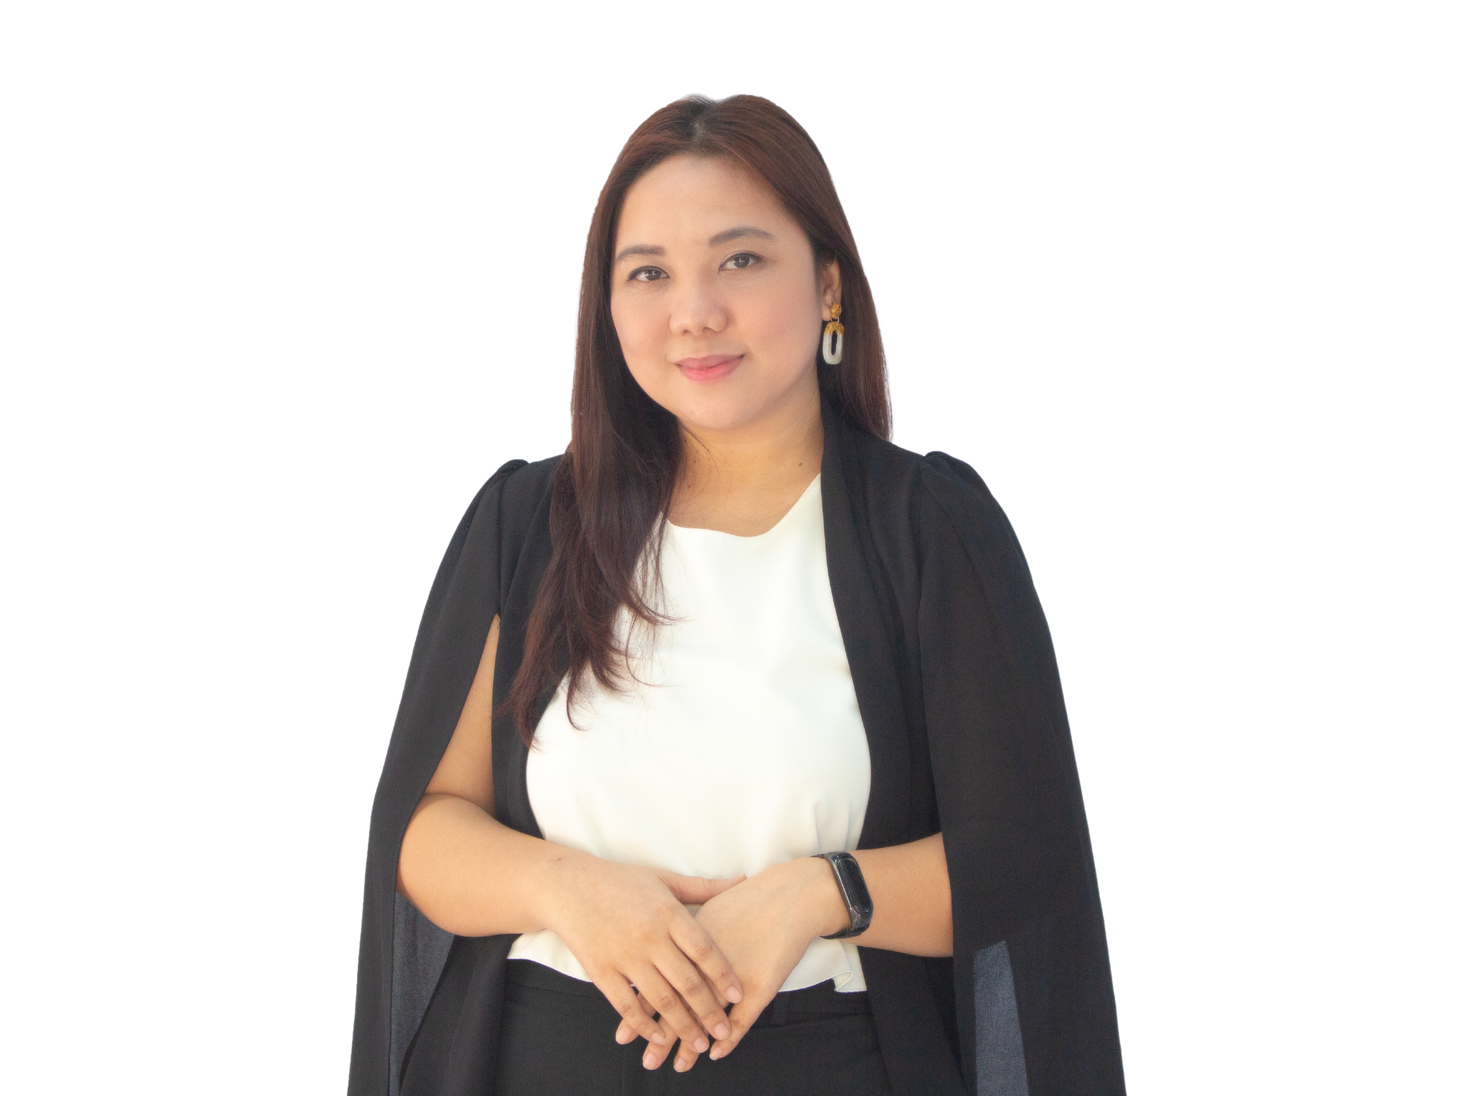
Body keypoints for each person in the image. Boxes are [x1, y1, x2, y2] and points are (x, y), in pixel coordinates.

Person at [348, 94, 1125, 1096]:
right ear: (606, 306)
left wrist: (817, 894)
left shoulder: (928, 524)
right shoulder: (528, 519)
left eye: (741, 259)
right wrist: (568, 888)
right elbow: (426, 830)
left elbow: (1019, 855)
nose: (694, 312)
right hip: (539, 1060)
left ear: (828, 284)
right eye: (649, 273)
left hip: (832, 1063)